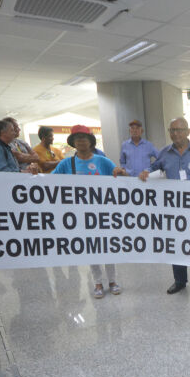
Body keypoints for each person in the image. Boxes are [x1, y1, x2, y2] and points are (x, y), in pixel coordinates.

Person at [135, 117, 190, 295]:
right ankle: (180, 280)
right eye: (172, 130)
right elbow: (154, 168)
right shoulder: (165, 152)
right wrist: (146, 172)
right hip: (173, 210)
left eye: (179, 130)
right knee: (176, 244)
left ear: (188, 132)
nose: (175, 133)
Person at [53, 125, 121, 298]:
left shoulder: (102, 161)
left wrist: (120, 173)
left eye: (84, 137)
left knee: (108, 248)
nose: (81, 141)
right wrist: (33, 173)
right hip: (81, 215)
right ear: (73, 143)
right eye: (78, 138)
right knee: (92, 249)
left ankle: (112, 281)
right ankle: (98, 282)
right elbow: (48, 181)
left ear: (91, 141)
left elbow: (119, 179)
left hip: (104, 214)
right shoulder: (66, 164)